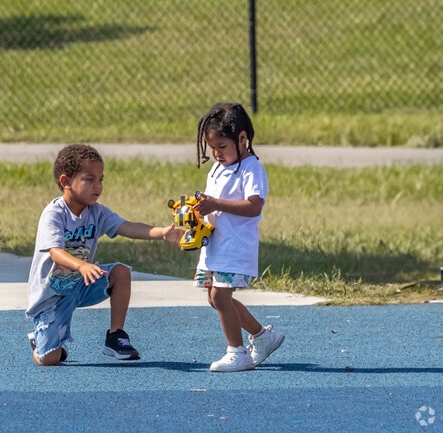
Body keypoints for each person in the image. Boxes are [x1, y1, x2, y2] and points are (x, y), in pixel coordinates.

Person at [26, 143, 184, 366]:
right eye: (89, 179)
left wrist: (162, 232)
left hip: (81, 285)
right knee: (50, 359)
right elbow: (56, 252)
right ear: (66, 182)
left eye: (100, 179)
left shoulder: (97, 212)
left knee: (120, 272)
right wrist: (81, 265)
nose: (97, 186)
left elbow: (127, 227)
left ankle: (115, 336)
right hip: (52, 296)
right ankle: (42, 342)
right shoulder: (54, 213)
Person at [193, 102, 285, 372]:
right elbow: (213, 203)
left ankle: (237, 352)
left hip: (235, 246)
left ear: (242, 138)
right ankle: (262, 336)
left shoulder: (251, 168)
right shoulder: (218, 167)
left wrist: (216, 204)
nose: (216, 153)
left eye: (222, 146)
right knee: (214, 297)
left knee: (221, 298)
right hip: (215, 245)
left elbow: (254, 205)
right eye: (212, 148)